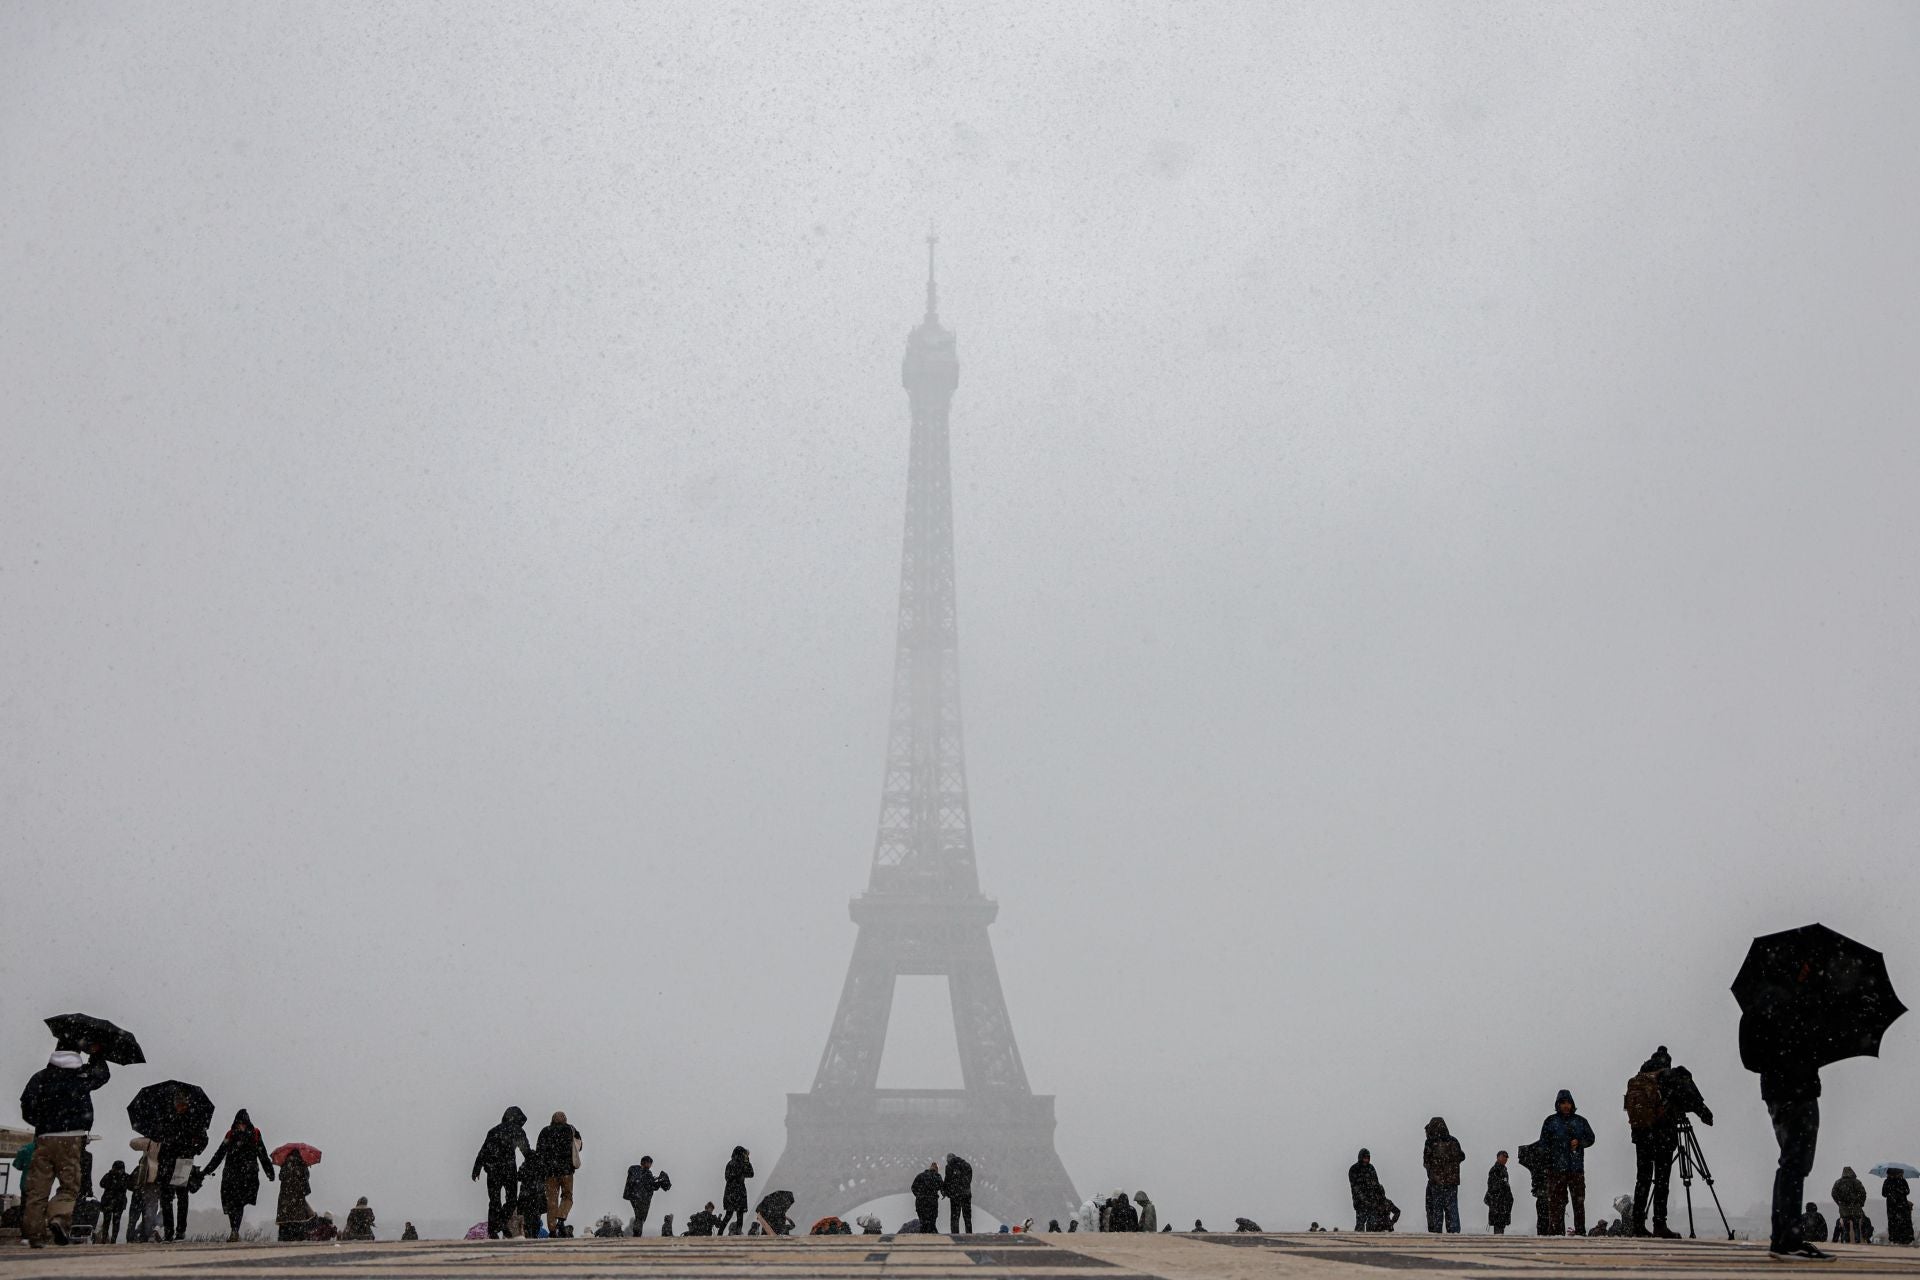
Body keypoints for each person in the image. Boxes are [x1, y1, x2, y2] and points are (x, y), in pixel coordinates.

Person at [17, 1038, 112, 1248]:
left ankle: (33, 1233)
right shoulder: (81, 1076)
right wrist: (96, 1053)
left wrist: (42, 1123)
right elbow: (102, 1075)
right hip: (72, 1138)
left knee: (38, 1187)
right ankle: (59, 1218)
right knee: (69, 1185)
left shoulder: (40, 1077)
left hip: (44, 1137)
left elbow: (27, 1104)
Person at [1625, 1046, 1713, 1238]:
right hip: (1663, 1134)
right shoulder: (1672, 1075)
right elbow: (1690, 1099)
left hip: (1641, 1134)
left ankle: (1637, 1224)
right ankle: (1659, 1224)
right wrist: (1703, 1112)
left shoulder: (1640, 1077)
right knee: (1662, 1179)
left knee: (1643, 1178)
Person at [202, 1110, 275, 1242]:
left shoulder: (255, 1134)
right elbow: (219, 1155)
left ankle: (234, 1230)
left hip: (246, 1176)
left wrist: (269, 1172)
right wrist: (206, 1171)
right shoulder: (230, 1135)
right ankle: (234, 1230)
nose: (241, 1126)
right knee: (231, 1204)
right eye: (238, 1124)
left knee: (238, 1203)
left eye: (243, 1123)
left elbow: (262, 1154)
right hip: (231, 1175)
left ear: (247, 1123)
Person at [1538, 1089, 1596, 1236]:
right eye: (1563, 1102)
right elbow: (1543, 1145)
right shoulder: (1550, 1121)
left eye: (1568, 1102)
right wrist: (1549, 1161)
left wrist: (1580, 1142)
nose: (1566, 1105)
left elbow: (1591, 1138)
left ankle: (1580, 1233)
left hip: (1576, 1169)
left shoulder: (1580, 1121)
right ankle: (1556, 1233)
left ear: (1572, 1104)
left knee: (1578, 1203)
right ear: (1558, 1104)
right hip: (1555, 1170)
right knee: (1556, 1205)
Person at [472, 1107, 531, 1239]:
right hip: (509, 1170)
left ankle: (494, 1229)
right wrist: (535, 1162)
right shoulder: (517, 1130)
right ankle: (501, 1222)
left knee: (494, 1201)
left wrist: (477, 1168)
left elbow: (483, 1151)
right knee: (511, 1201)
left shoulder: (493, 1131)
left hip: (493, 1170)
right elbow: (526, 1151)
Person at [536, 1111, 580, 1237]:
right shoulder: (571, 1129)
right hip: (567, 1171)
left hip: (550, 1172)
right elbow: (579, 1146)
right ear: (565, 1119)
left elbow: (539, 1151)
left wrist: (542, 1168)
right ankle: (561, 1218)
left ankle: (552, 1230)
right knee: (567, 1196)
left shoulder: (545, 1131)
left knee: (552, 1201)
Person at [1423, 1117, 1465, 1233]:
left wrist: (1434, 1172)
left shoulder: (1430, 1142)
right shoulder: (1453, 1141)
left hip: (1436, 1182)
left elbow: (1426, 1162)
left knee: (1437, 1210)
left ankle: (1436, 1233)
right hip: (1451, 1183)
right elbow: (1462, 1156)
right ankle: (1454, 1233)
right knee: (1452, 1209)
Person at [275, 1149, 316, 1242]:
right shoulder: (302, 1164)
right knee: (297, 1221)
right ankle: (297, 1237)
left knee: (285, 1221)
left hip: (284, 1198)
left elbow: (281, 1177)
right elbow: (306, 1182)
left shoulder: (285, 1164)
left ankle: (283, 1238)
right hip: (297, 1198)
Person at [129, 1136, 163, 1243]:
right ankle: (152, 1231)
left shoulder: (149, 1142)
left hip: (149, 1178)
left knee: (149, 1209)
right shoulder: (168, 1141)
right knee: (158, 1209)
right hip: (163, 1178)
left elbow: (133, 1143)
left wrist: (146, 1137)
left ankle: (145, 1234)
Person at [624, 1155, 668, 1237]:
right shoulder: (645, 1172)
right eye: (650, 1163)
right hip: (641, 1198)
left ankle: (637, 1233)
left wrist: (655, 1180)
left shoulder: (635, 1170)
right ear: (646, 1163)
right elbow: (651, 1186)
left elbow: (645, 1183)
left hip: (633, 1197)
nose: (650, 1165)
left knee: (638, 1216)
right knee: (641, 1217)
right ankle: (637, 1234)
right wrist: (660, 1181)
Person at [515, 1143, 549, 1239]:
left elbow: (519, 1176)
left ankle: (528, 1232)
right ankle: (534, 1234)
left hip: (526, 1195)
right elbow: (546, 1176)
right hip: (538, 1195)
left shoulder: (525, 1165)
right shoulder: (541, 1165)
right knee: (536, 1217)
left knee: (526, 1217)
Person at [1349, 1148, 1386, 1231]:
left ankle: (1370, 1242)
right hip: (1360, 1203)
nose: (1366, 1160)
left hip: (1372, 1202)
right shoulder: (1354, 1169)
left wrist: (1381, 1196)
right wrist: (1363, 1199)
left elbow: (1376, 1184)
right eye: (1364, 1158)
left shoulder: (1371, 1168)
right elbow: (1355, 1188)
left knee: (1372, 1225)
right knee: (1360, 1224)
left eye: (1367, 1158)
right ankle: (1359, 1242)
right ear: (1360, 1158)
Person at [1834, 1167, 1868, 1244]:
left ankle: (1846, 1240)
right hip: (1855, 1207)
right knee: (1856, 1227)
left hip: (1844, 1208)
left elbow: (1833, 1193)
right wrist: (1860, 1203)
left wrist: (1839, 1203)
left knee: (1846, 1227)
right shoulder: (1857, 1182)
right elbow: (1863, 1193)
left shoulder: (1838, 1182)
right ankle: (1857, 1240)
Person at [98, 1160, 129, 1244]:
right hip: (112, 1201)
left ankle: (110, 1239)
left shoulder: (113, 1176)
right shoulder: (122, 1176)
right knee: (111, 1221)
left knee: (112, 1221)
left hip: (114, 1201)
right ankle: (107, 1239)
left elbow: (102, 1184)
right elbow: (101, 1184)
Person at [942, 1152, 974, 1233]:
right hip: (966, 1194)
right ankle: (969, 1234)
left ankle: (955, 1235)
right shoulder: (966, 1165)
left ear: (948, 1160)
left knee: (955, 1217)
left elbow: (947, 1181)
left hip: (955, 1195)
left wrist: (945, 1191)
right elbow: (968, 1180)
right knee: (967, 1217)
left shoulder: (949, 1166)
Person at [1484, 1150, 1514, 1234]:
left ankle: (1499, 1243)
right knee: (1498, 1226)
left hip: (1502, 1204)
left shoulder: (1503, 1170)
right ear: (1498, 1157)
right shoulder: (1495, 1170)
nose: (1505, 1158)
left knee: (1500, 1226)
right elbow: (1492, 1187)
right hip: (1498, 1204)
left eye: (1506, 1157)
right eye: (1503, 1156)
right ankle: (1498, 1244)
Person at [911, 1161, 943, 1235]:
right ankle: (932, 1240)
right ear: (937, 1170)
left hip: (920, 1203)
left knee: (923, 1223)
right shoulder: (937, 1177)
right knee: (932, 1223)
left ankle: (922, 1239)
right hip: (932, 1203)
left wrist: (919, 1196)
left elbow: (913, 1187)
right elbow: (942, 1187)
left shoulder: (920, 1176)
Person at [1886, 1168, 1914, 1246]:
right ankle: (1904, 1239)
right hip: (1901, 1206)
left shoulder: (1888, 1182)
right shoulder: (1902, 1181)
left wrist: (1892, 1191)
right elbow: (1907, 1191)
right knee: (1903, 1222)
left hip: (1892, 1206)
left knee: (1893, 1222)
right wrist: (1899, 1190)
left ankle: (1895, 1239)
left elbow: (1884, 1193)